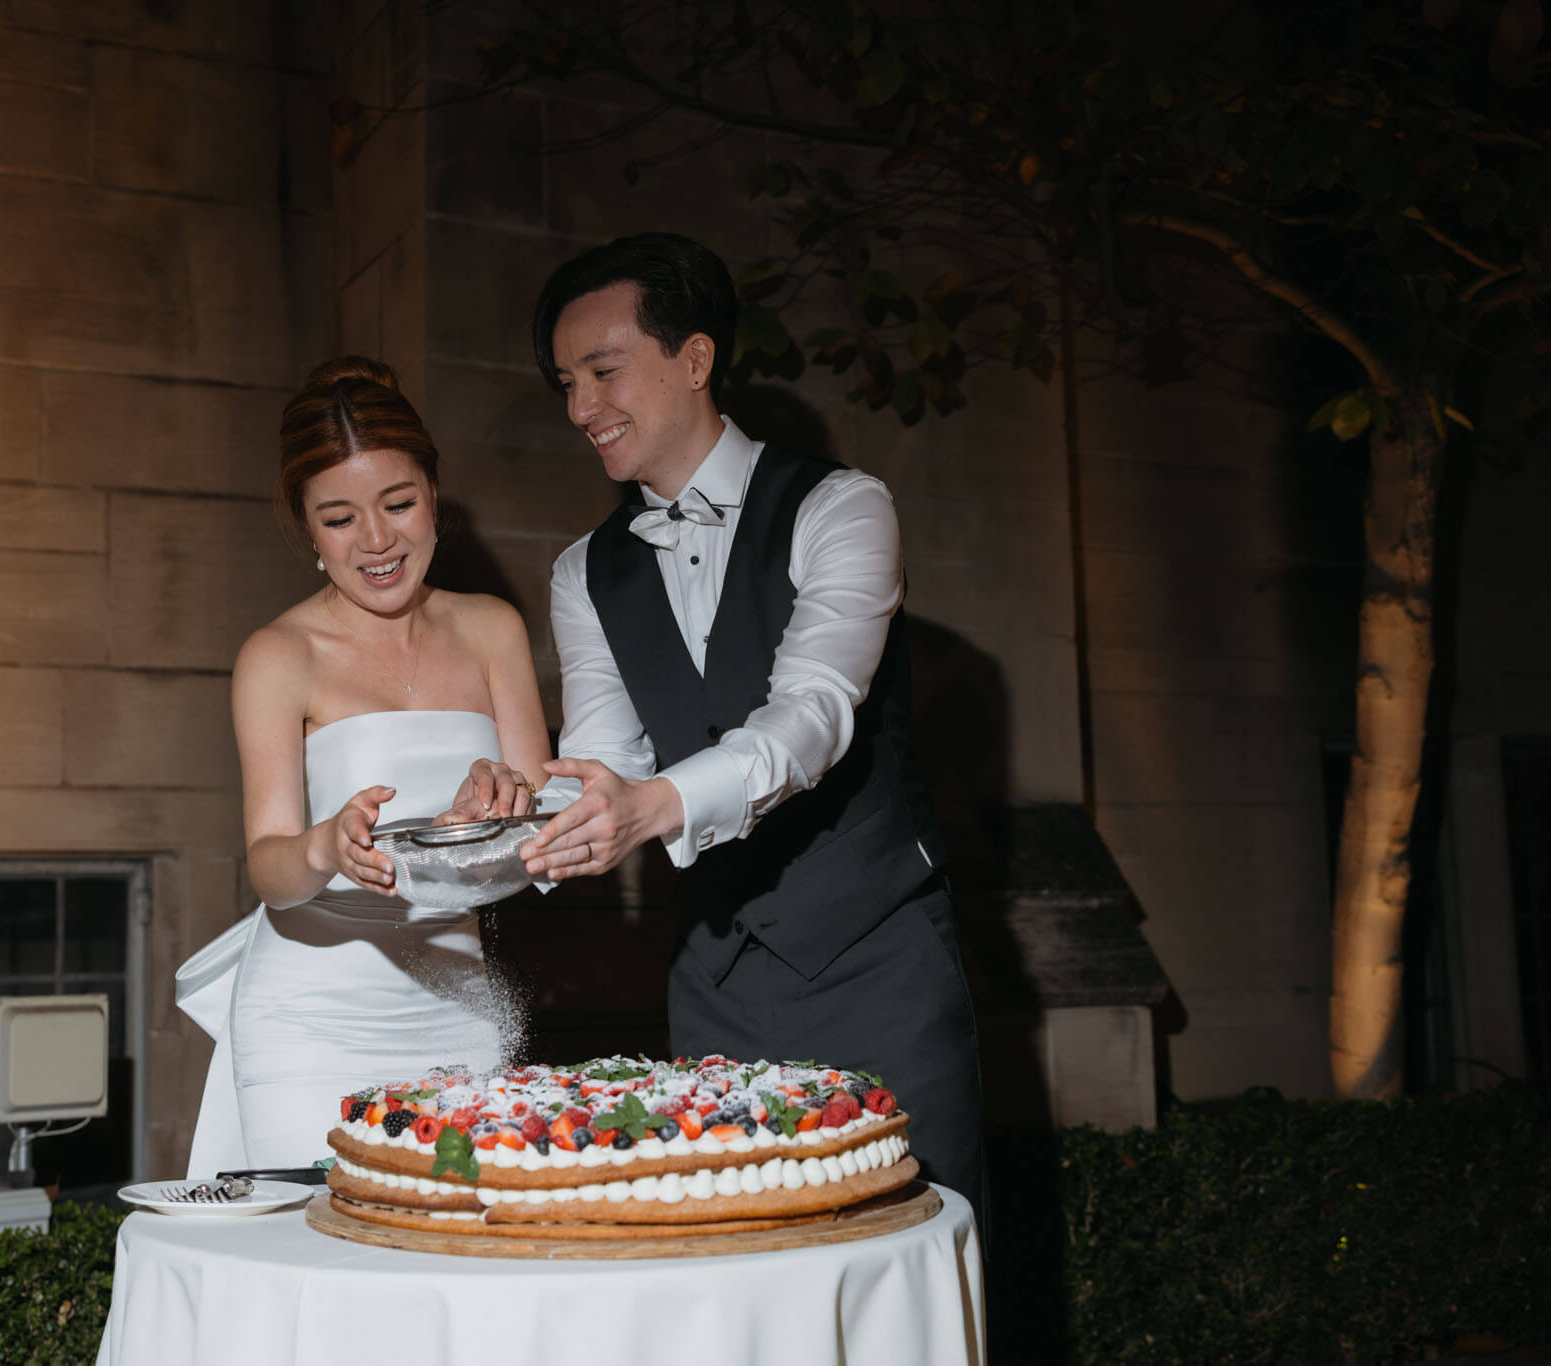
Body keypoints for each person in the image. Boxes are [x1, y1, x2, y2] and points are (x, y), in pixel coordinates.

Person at [509, 232, 987, 1225]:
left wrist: (651, 806)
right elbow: (601, 764)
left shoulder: (843, 507)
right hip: (715, 977)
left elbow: (810, 719)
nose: (580, 408)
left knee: (908, 1245)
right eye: (566, 383)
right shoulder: (583, 573)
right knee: (737, 1260)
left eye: (602, 372)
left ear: (694, 359)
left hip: (879, 960)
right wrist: (511, 811)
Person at [175, 356, 551, 1176]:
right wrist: (326, 846)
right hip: (309, 1020)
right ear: (307, 529)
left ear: (434, 497)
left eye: (399, 503)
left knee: (460, 1237)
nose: (377, 541)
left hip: (458, 1005)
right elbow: (270, 868)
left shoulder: (493, 629)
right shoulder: (278, 655)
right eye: (340, 518)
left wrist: (496, 815)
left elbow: (544, 848)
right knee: (311, 1241)